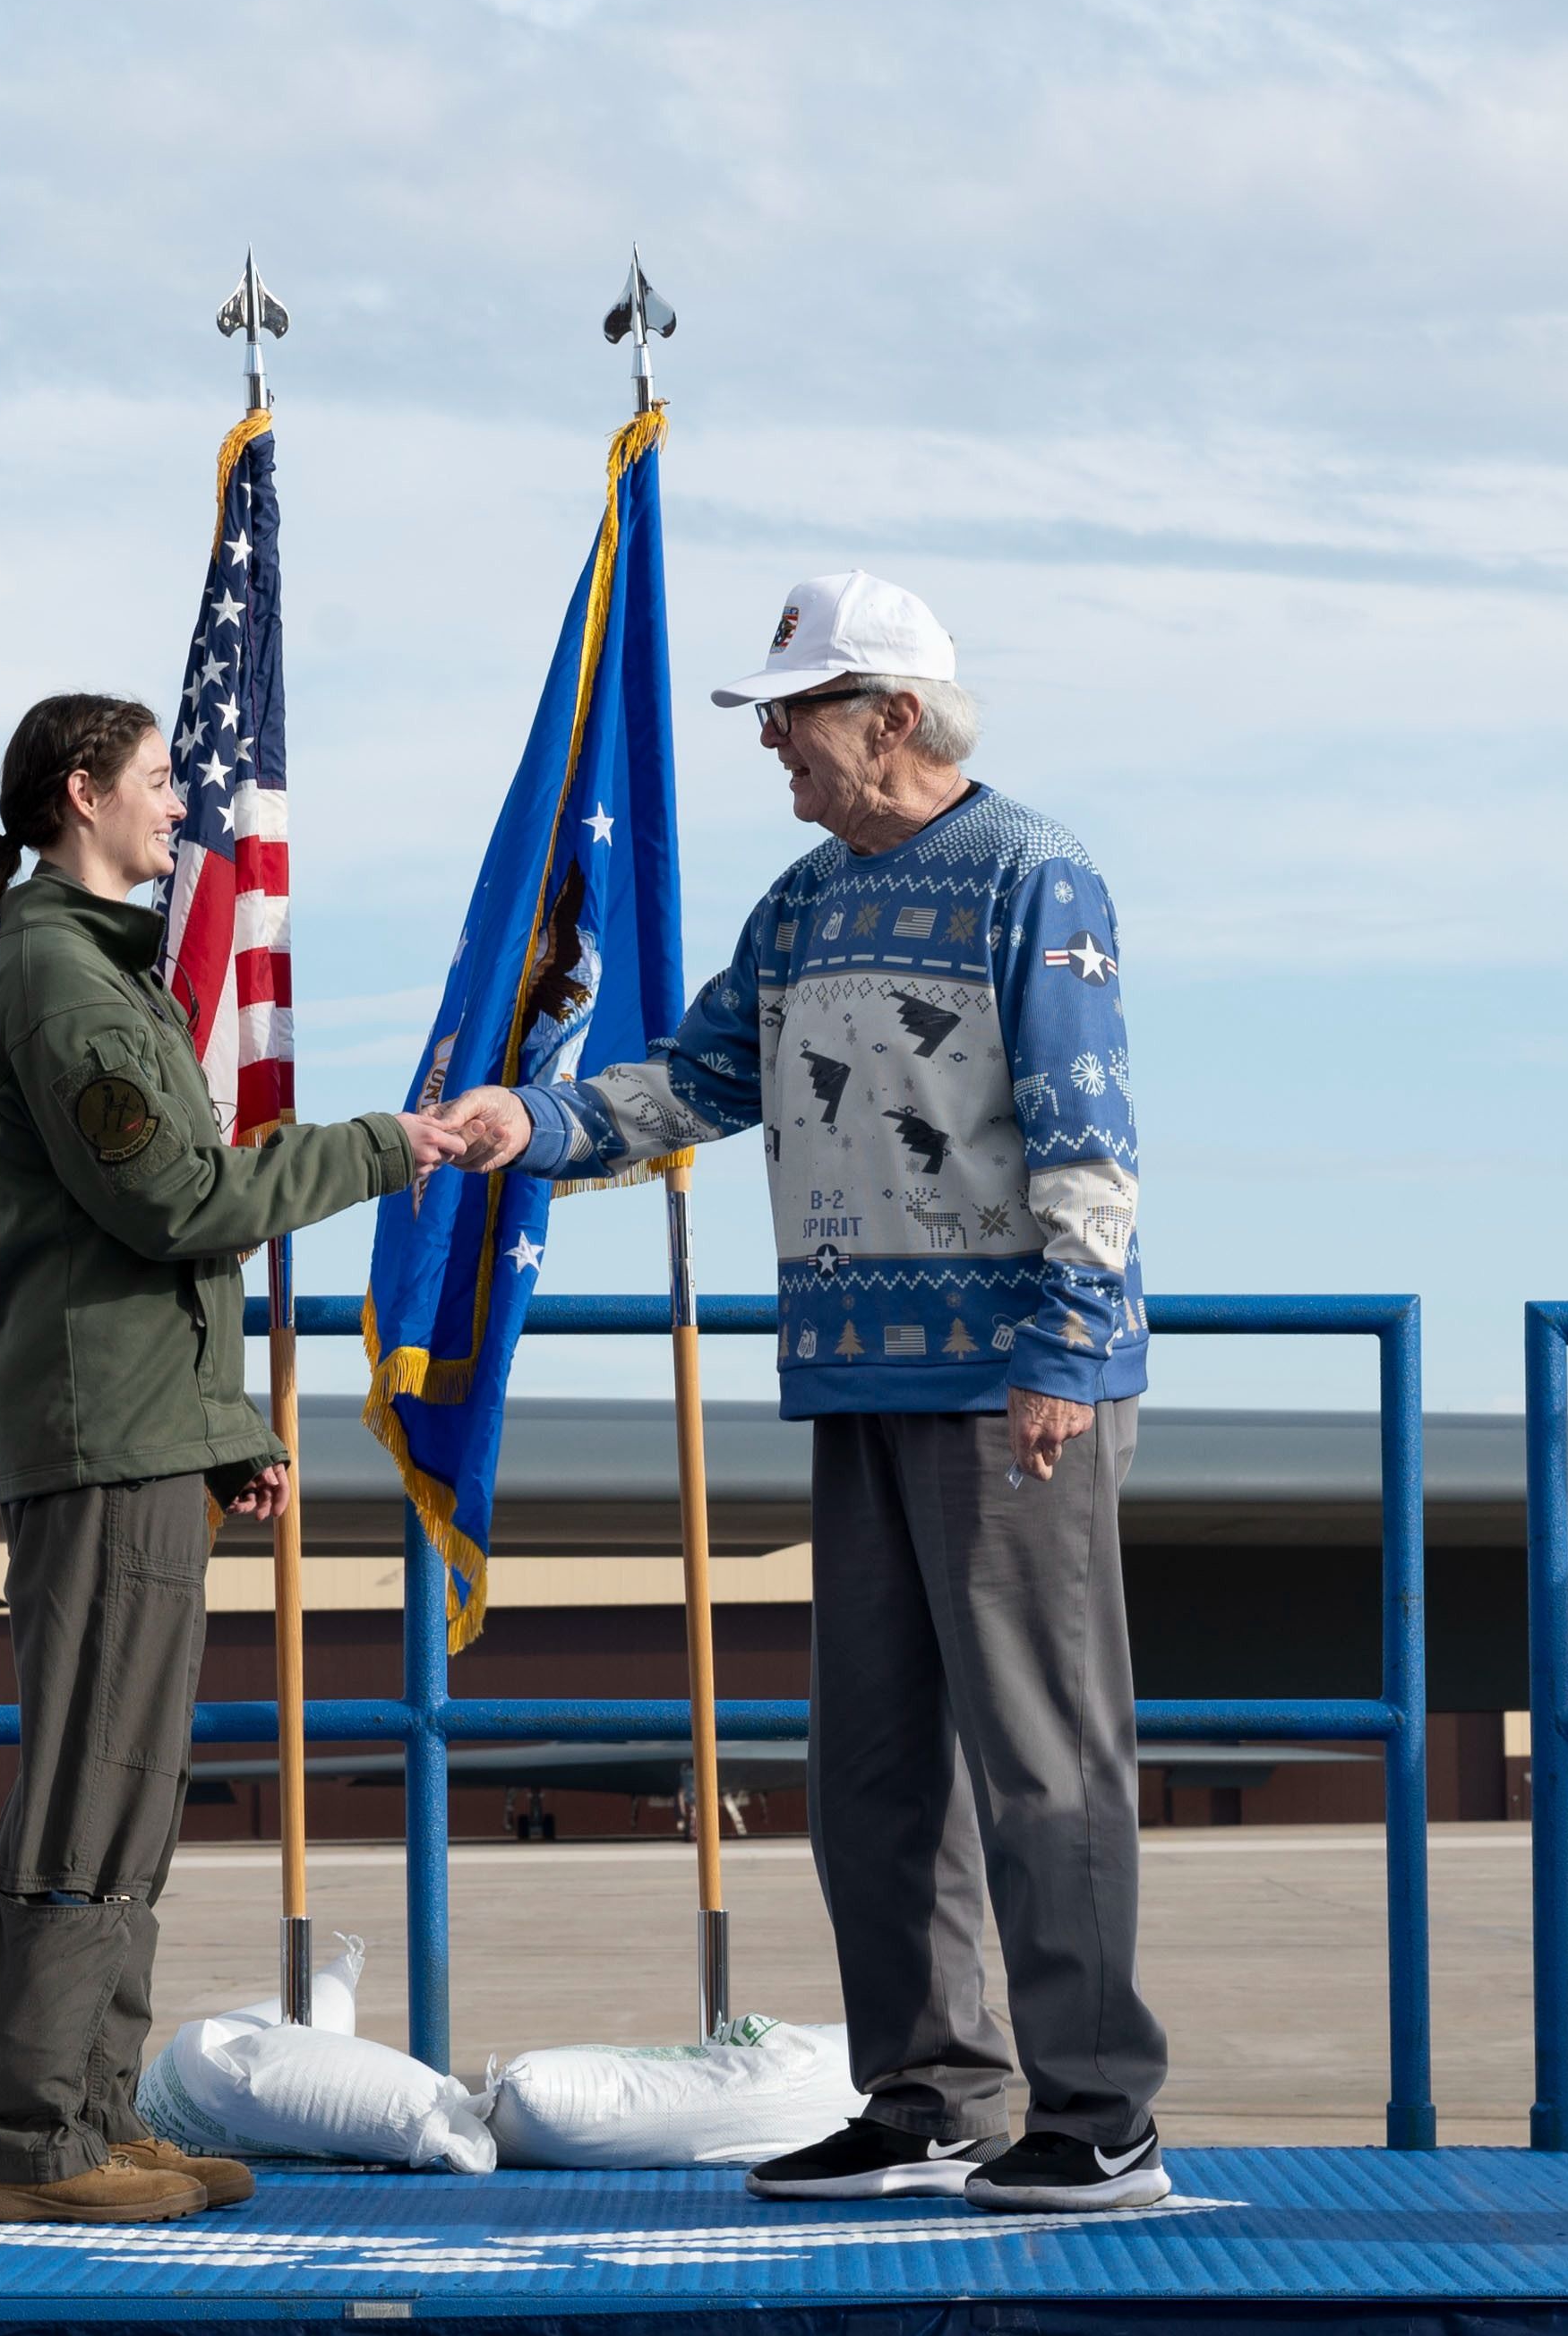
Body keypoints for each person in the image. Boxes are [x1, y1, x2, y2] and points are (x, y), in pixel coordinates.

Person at [436, 571, 1167, 2214]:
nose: (774, 744)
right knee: (872, 1771)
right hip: (858, 1377)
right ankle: (929, 2096)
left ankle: (1101, 2110)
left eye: (797, 713)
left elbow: (1088, 1123)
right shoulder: (802, 904)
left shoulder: (1032, 872)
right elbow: (699, 1079)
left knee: (1044, 1764)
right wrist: (531, 1123)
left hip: (1008, 1387)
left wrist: (1064, 1345)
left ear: (893, 716)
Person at [0, 691, 461, 2227]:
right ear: (81, 793)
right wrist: (387, 1144)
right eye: (161, 782)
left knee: (128, 1790)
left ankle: (90, 2110)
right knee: (90, 1789)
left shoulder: (94, 970)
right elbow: (179, 1204)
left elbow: (147, 1248)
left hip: (143, 1427)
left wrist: (223, 1430)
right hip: (104, 1437)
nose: (183, 807)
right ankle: (29, 2140)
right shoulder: (64, 982)